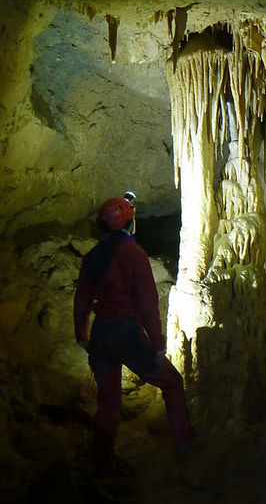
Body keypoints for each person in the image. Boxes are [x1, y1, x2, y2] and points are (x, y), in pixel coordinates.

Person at [73, 192, 193, 476]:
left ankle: (102, 463)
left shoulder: (92, 257)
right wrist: (158, 343)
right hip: (127, 334)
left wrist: (82, 335)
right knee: (172, 382)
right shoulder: (133, 254)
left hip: (101, 335)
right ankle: (185, 443)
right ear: (128, 224)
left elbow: (82, 302)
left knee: (108, 401)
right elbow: (148, 304)